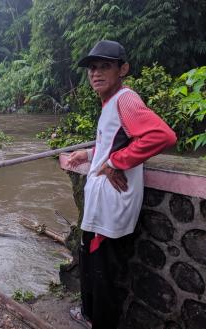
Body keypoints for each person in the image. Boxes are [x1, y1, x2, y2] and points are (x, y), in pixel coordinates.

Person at [66, 40, 177, 329]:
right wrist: (90, 154)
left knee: (103, 272)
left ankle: (101, 322)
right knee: (91, 264)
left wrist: (117, 162)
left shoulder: (125, 99)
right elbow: (114, 142)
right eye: (92, 68)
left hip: (110, 204)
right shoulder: (110, 104)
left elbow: (162, 136)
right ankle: (89, 315)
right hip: (100, 201)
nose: (96, 74)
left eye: (105, 66)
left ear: (123, 69)